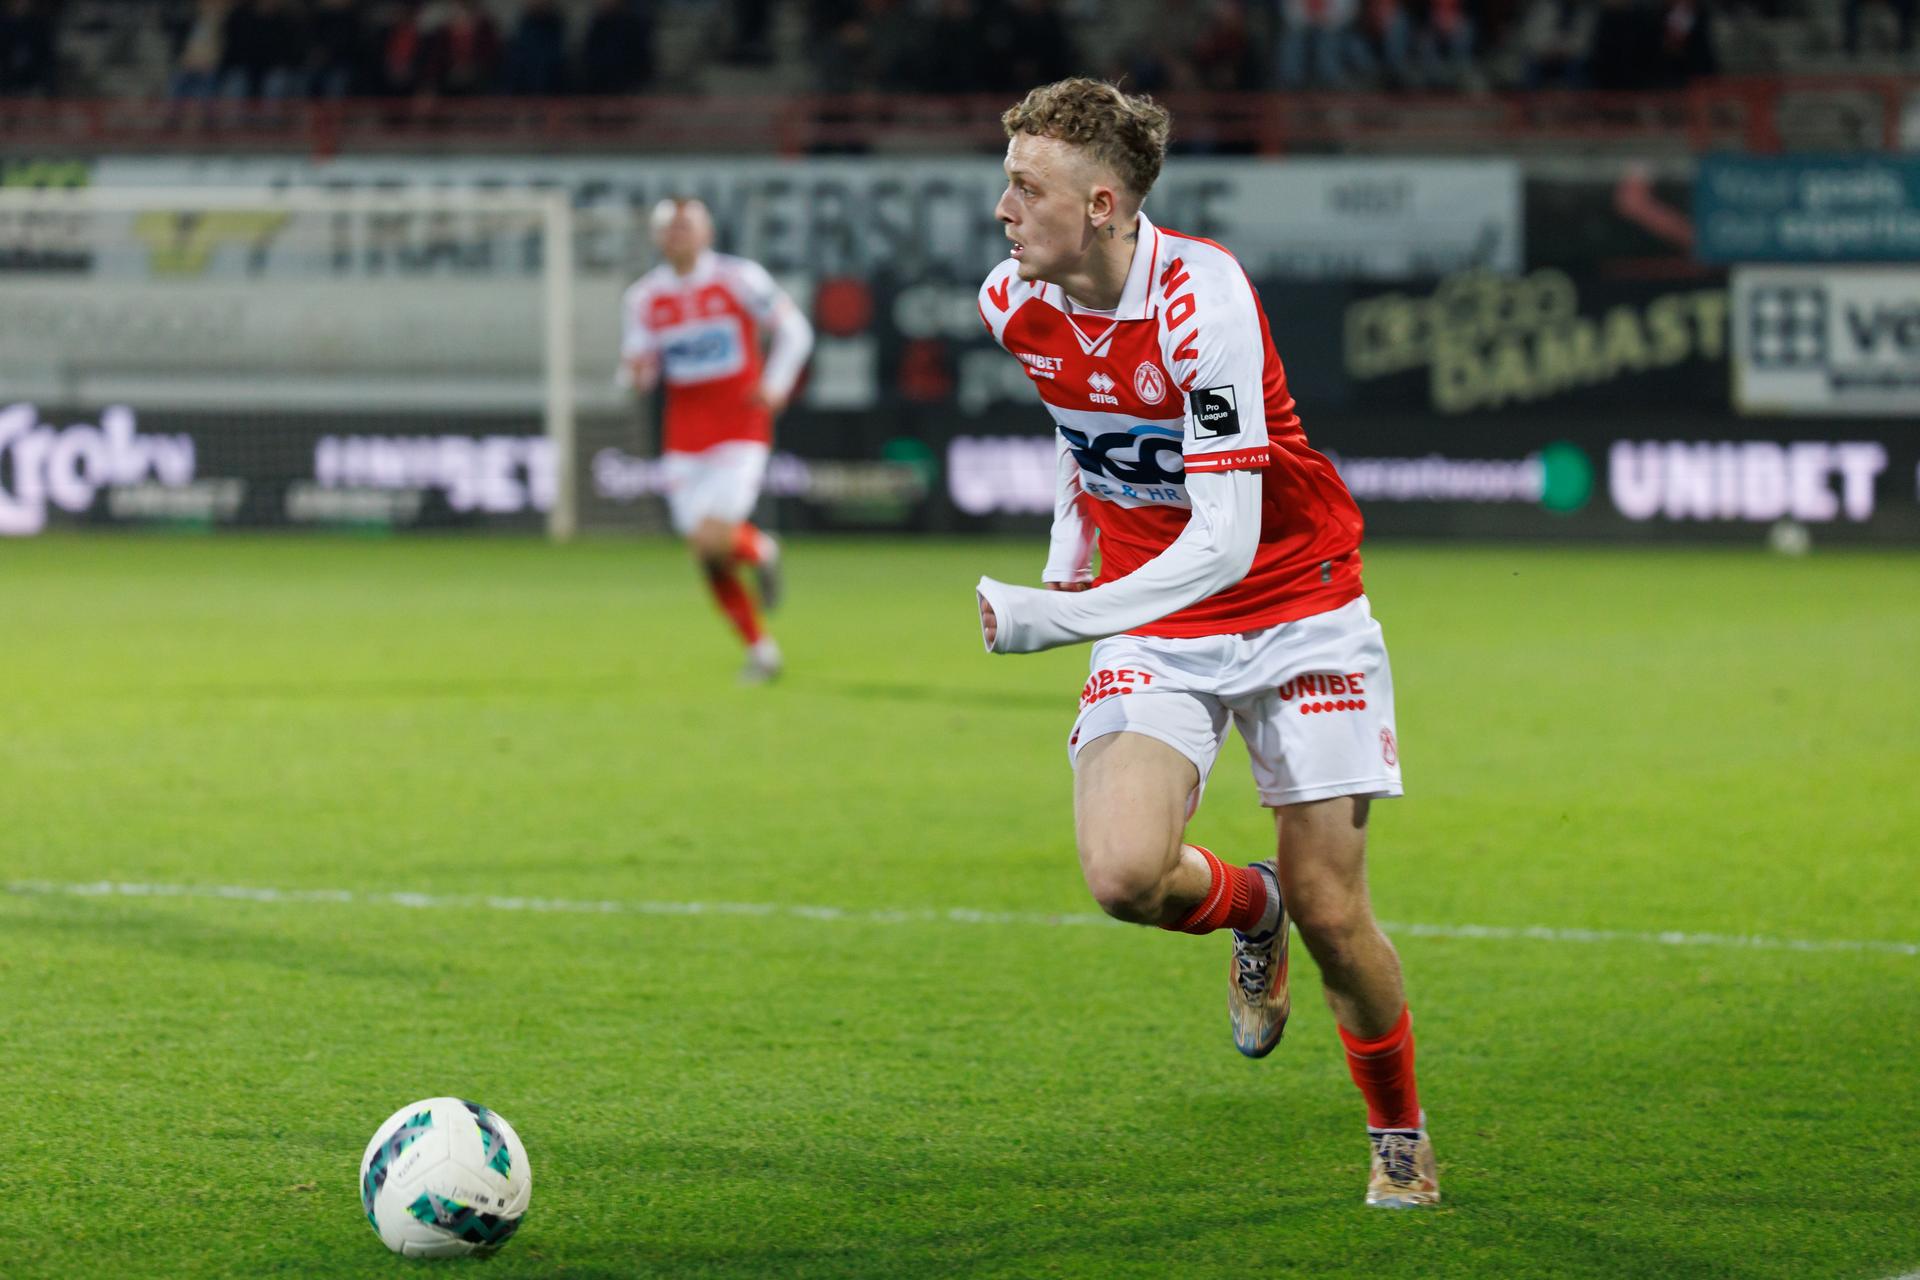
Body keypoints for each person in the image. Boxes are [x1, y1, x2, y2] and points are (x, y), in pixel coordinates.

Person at [972, 78, 1437, 1207]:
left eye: (1024, 187)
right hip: (1159, 616)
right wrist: (1067, 552)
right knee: (1124, 873)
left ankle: (1399, 1134)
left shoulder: (1202, 297)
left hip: (1296, 600)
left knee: (1339, 911)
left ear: (1099, 203)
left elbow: (1226, 542)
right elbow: (1082, 436)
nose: (1001, 208)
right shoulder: (1010, 301)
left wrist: (1057, 616)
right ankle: (1252, 907)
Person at [621, 197, 814, 684]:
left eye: (688, 226)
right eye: (670, 228)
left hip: (740, 427)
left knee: (710, 537)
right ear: (658, 237)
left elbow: (795, 330)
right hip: (684, 437)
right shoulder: (643, 298)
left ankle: (762, 552)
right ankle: (761, 648)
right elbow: (636, 367)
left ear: (707, 233)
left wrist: (776, 383)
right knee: (707, 555)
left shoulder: (739, 278)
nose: (679, 235)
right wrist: (636, 375)